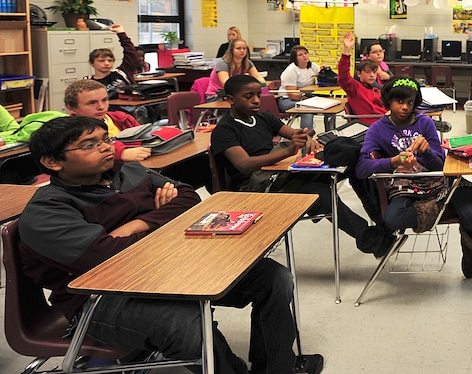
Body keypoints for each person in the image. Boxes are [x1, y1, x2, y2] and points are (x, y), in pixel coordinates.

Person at [18, 116, 324, 374]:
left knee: (272, 277)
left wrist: (141, 221)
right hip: (97, 299)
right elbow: (106, 258)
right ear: (52, 162)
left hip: (164, 266)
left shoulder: (128, 172)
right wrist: (159, 219)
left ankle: (278, 367)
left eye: (105, 139)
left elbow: (189, 197)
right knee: (185, 324)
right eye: (89, 145)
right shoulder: (47, 211)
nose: (105, 148)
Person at [211, 75, 394, 257]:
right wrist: (287, 152)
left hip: (278, 176)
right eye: (248, 96)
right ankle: (374, 242)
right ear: (230, 100)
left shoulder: (262, 117)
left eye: (258, 94)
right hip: (256, 188)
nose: (256, 100)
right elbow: (244, 165)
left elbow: (294, 134)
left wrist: (307, 139)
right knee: (320, 194)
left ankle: (385, 226)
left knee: (356, 166)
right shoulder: (225, 129)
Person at [355, 76, 472, 278]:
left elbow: (441, 164)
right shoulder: (378, 129)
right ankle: (443, 207)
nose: (405, 107)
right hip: (407, 187)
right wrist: (393, 162)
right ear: (388, 100)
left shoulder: (425, 122)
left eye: (410, 102)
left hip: (440, 180)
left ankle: (468, 246)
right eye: (400, 101)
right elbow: (361, 168)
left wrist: (427, 153)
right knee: (393, 218)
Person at [65, 79, 151, 163]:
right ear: (71, 108)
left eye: (104, 100)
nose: (101, 107)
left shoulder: (122, 119)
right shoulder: (70, 133)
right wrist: (120, 153)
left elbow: (146, 137)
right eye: (92, 103)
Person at [88, 23, 148, 123]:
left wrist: (121, 34)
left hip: (131, 111)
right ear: (91, 63)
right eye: (101, 61)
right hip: (106, 114)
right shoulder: (88, 82)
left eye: (110, 60)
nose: (106, 63)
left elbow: (131, 54)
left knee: (139, 113)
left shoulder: (121, 73)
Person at [338, 32, 386, 124]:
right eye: (367, 72)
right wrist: (347, 50)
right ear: (359, 74)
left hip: (384, 121)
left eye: (374, 72)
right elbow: (343, 76)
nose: (372, 75)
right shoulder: (355, 87)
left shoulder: (376, 90)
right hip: (372, 125)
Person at [278, 45, 321, 129]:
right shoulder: (291, 70)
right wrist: (309, 101)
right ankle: (306, 137)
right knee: (307, 109)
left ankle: (330, 135)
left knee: (329, 106)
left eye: (305, 53)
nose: (304, 56)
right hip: (287, 100)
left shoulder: (312, 66)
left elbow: (322, 76)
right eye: (300, 55)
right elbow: (292, 95)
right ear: (295, 58)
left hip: (305, 97)